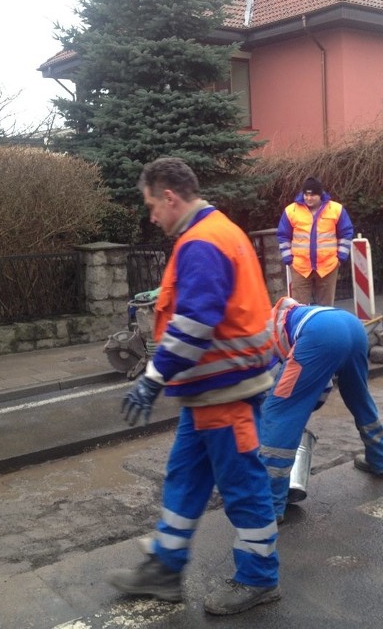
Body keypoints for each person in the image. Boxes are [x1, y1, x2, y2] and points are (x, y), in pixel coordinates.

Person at [107, 157, 281, 616]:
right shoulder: (218, 231)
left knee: (243, 486)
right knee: (184, 480)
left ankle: (259, 578)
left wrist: (152, 378)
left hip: (225, 394)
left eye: (151, 206)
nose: (151, 217)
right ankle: (165, 568)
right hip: (210, 393)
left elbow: (194, 322)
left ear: (169, 197)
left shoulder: (201, 242)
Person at [260, 296, 383, 522]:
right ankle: (381, 461)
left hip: (321, 334)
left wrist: (290, 416)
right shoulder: (288, 315)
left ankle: (269, 503)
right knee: (359, 397)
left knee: (279, 413)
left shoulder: (261, 335)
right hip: (352, 326)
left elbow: (277, 395)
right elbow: (320, 385)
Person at [277, 177, 354, 306]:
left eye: (312, 195)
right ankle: (302, 327)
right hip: (300, 267)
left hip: (328, 266)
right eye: (306, 194)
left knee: (326, 308)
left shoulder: (336, 209)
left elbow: (346, 234)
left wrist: (340, 258)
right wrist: (289, 260)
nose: (308, 198)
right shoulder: (291, 211)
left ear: (320, 195)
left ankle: (324, 327)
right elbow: (283, 236)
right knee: (299, 308)